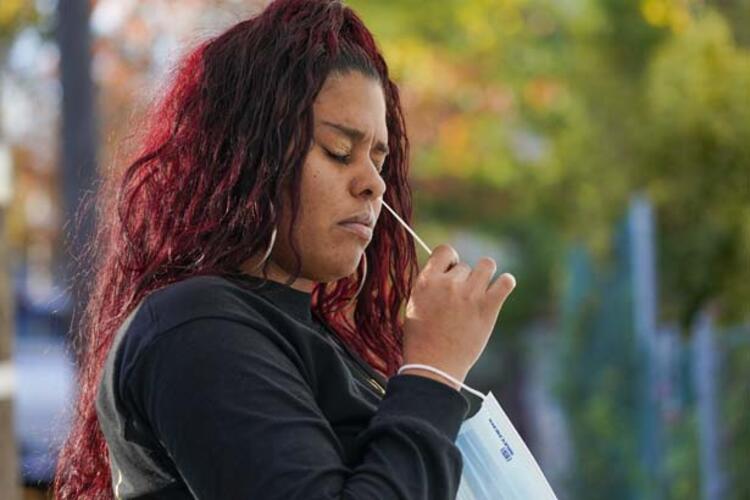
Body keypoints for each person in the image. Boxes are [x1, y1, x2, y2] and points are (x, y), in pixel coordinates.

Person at [53, 0, 517, 498]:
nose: (373, 185)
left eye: (378, 161)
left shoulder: (311, 335)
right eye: (339, 152)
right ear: (247, 154)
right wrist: (431, 374)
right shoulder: (198, 328)